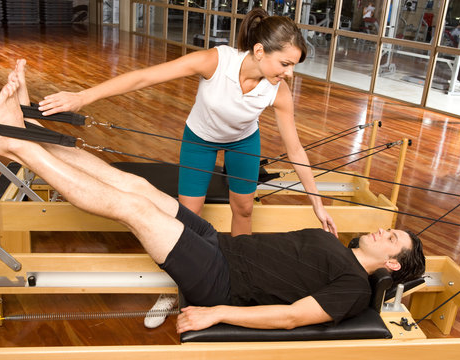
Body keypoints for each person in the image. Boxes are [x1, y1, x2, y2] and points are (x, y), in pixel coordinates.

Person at [0, 75, 426, 332]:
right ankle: (28, 129)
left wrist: (216, 312)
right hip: (219, 244)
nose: (385, 231)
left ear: (391, 265)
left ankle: (17, 147)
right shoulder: (342, 248)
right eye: (392, 229)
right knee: (136, 186)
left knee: (132, 209)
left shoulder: (352, 287)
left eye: (392, 239)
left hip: (219, 280)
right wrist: (319, 214)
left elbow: (291, 316)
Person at [37, 8, 339, 328]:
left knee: (245, 209)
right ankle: (178, 289)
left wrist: (317, 205)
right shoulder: (215, 62)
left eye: (293, 66)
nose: (290, 73)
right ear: (260, 51)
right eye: (286, 63)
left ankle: (241, 280)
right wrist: (83, 97)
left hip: (243, 142)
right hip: (201, 139)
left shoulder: (278, 91)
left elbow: (295, 149)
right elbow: (145, 76)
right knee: (186, 218)